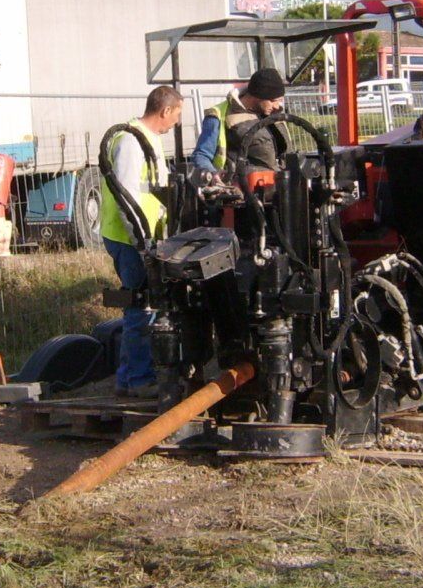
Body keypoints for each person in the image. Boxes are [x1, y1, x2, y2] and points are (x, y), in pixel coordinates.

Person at [99, 84, 184, 393]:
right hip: (131, 238)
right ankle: (137, 380)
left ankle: (131, 378)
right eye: (177, 115)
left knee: (144, 305)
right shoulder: (131, 143)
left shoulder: (146, 139)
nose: (177, 122)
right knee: (141, 306)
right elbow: (127, 196)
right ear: (166, 111)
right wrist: (142, 241)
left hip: (144, 237)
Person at [191, 67, 287, 173]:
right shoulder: (218, 115)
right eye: (273, 100)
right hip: (239, 185)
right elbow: (201, 156)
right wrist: (213, 175)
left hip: (282, 184)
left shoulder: (274, 114)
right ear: (257, 96)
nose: (277, 106)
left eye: (280, 100)